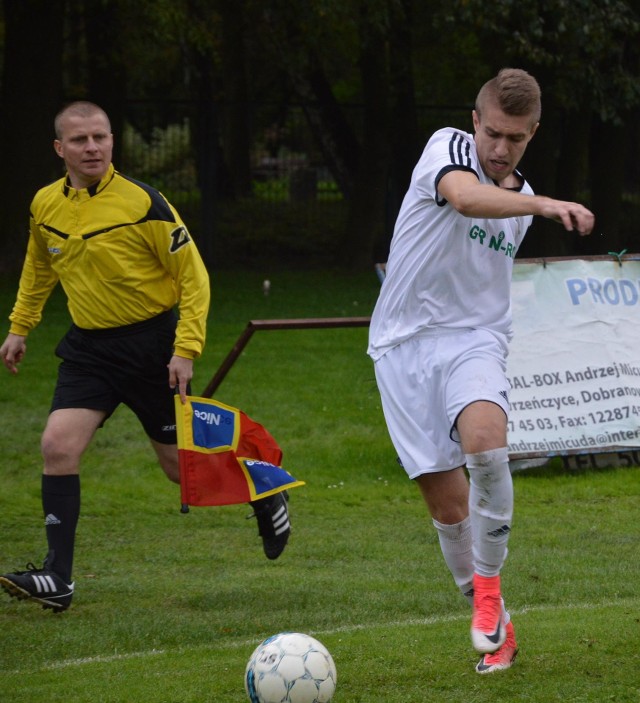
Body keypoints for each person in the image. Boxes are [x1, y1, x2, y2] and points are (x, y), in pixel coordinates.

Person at [0, 101, 290, 613]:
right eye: (79, 140)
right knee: (57, 446)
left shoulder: (143, 204)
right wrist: (20, 327)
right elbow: (38, 266)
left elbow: (193, 277)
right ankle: (58, 577)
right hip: (88, 350)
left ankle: (265, 491)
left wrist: (184, 349)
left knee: (180, 469)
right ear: (59, 148)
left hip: (149, 350)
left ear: (112, 141)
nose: (92, 148)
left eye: (100, 138)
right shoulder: (45, 204)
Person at [367, 69, 594, 673]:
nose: (500, 148)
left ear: (533, 133)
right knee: (448, 508)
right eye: (492, 132)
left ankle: (488, 594)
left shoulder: (520, 201)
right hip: (401, 347)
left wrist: (532, 199)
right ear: (475, 121)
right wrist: (543, 203)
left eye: (515, 139)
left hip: (475, 340)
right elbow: (465, 198)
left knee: (487, 446)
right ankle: (500, 622)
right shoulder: (446, 149)